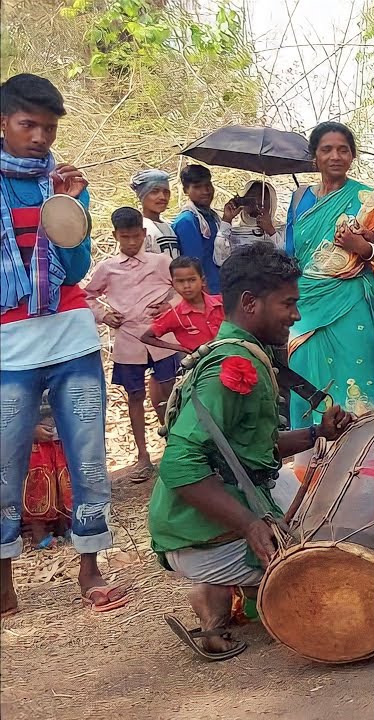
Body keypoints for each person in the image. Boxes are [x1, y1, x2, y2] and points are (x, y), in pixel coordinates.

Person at [150, 243, 354, 660]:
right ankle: (219, 581)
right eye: (288, 304)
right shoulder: (230, 368)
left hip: (219, 511)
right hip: (197, 531)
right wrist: (248, 524)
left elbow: (246, 448)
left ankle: (217, 595)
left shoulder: (249, 355)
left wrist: (317, 432)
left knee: (317, 517)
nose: (296, 315)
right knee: (331, 565)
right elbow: (179, 462)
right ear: (249, 304)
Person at [0, 73, 126, 617]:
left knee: (88, 455)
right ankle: (4, 580)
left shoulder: (63, 184)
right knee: (5, 463)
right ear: (3, 122)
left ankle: (90, 568)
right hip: (8, 342)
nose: (40, 137)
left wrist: (73, 205)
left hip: (71, 334)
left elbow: (74, 270)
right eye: (28, 124)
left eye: (49, 128)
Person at [284, 121, 374, 427]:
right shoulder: (298, 198)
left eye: (343, 150)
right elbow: (291, 253)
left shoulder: (369, 200)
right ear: (314, 157)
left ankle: (366, 449)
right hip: (306, 303)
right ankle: (311, 456)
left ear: (352, 155)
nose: (335, 156)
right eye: (327, 150)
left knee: (360, 370)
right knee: (308, 376)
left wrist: (363, 244)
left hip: (351, 301)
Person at [85, 206, 181, 482]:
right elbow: (86, 296)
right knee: (135, 397)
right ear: (116, 235)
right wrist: (104, 315)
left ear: (143, 233)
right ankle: (142, 456)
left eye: (135, 236)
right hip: (128, 341)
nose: (130, 243)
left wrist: (168, 305)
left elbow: (182, 286)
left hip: (162, 338)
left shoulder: (160, 262)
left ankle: (177, 446)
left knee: (170, 392)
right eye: (124, 237)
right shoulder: (108, 268)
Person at [142, 256, 224, 354]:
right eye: (180, 281)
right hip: (201, 365)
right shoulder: (175, 315)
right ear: (173, 284)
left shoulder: (222, 303)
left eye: (192, 280)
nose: (186, 286)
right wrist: (180, 348)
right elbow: (146, 337)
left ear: (203, 281)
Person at [22, 392, 71, 551]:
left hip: (61, 434)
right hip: (34, 441)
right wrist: (29, 429)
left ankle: (64, 526)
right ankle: (38, 534)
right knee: (38, 486)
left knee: (64, 481)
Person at [172, 163, 223, 293]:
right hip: (207, 293)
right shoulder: (187, 221)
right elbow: (194, 265)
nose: (205, 191)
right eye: (197, 187)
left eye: (208, 185)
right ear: (185, 190)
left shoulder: (212, 217)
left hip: (221, 288)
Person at [213, 180, 282, 266]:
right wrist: (226, 220)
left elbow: (286, 257)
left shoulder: (281, 231)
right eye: (252, 198)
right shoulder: (231, 233)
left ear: (272, 202)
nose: (258, 202)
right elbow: (220, 260)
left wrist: (271, 232)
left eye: (263, 199)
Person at [132, 168, 179, 258]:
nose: (162, 197)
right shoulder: (140, 229)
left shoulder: (169, 227)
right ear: (142, 195)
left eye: (166, 192)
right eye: (154, 192)